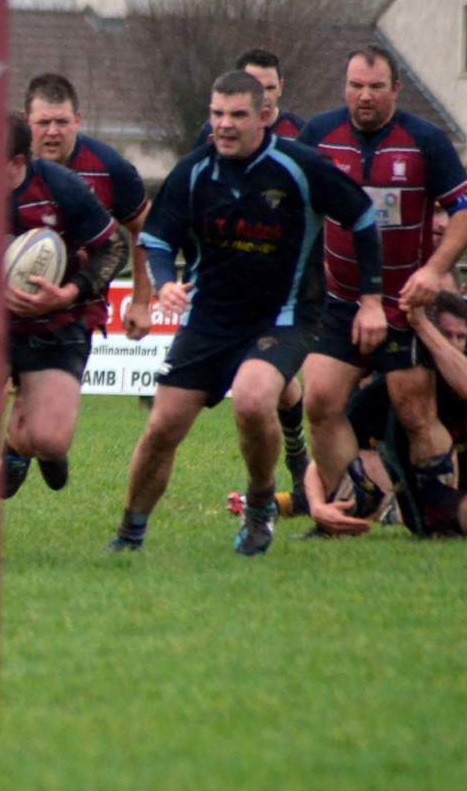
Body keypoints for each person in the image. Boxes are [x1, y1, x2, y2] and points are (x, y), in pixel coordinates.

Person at [108, 70, 381, 556]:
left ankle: (259, 505)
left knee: (253, 400)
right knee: (163, 426)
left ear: (265, 117)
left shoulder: (299, 166)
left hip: (284, 316)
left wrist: (372, 299)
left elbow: (361, 216)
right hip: (210, 320)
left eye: (237, 114)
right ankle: (129, 535)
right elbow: (157, 239)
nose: (224, 125)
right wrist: (165, 283)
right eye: (217, 114)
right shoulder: (194, 171)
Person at [297, 45, 467, 537]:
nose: (364, 96)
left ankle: (439, 516)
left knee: (414, 409)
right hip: (341, 299)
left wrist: (434, 271)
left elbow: (463, 211)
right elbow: (293, 202)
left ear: (396, 89)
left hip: (404, 303)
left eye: (375, 87)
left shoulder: (425, 141)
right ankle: (355, 496)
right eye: (355, 86)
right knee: (320, 402)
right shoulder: (319, 136)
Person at [192, 49, 313, 506]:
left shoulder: (303, 135)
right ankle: (295, 457)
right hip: (231, 280)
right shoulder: (214, 136)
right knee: (268, 383)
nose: (261, 94)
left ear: (280, 90)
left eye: (268, 87)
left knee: (269, 378)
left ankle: (296, 462)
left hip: (288, 283)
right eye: (252, 85)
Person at [2, 112, 130, 499]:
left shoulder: (59, 186)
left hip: (57, 324)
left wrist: (68, 293)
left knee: (51, 441)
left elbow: (115, 247)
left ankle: (23, 443)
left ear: (17, 162)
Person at [303, 291, 467, 536]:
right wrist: (318, 506)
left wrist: (421, 324)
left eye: (461, 337)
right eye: (446, 335)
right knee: (365, 459)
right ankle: (383, 511)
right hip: (441, 501)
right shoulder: (388, 394)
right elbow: (320, 462)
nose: (453, 344)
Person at [25, 73, 152, 339]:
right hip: (12, 314)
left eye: (62, 122)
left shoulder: (109, 166)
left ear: (78, 121)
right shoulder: (8, 165)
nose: (53, 131)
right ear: (27, 122)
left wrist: (141, 302)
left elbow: (145, 225)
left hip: (75, 318)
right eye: (44, 122)